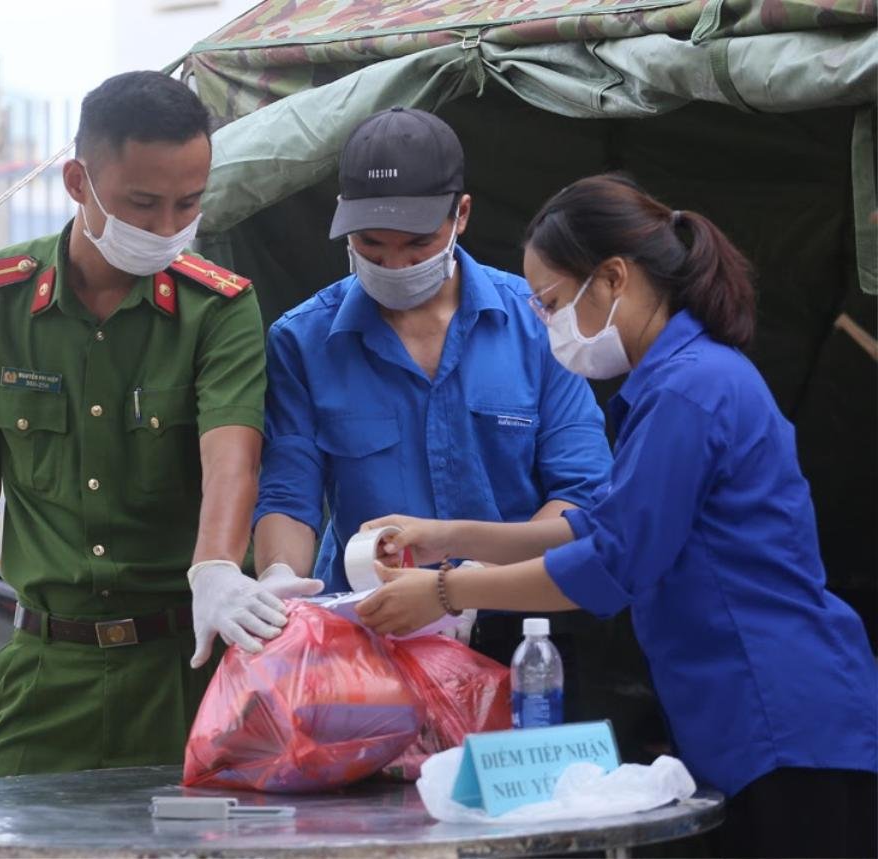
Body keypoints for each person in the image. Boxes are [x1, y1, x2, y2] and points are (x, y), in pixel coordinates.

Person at [356, 174, 878, 859]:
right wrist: (444, 536)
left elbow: (609, 565)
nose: (547, 327)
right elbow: (593, 526)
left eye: (548, 304)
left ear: (611, 278)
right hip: (761, 717)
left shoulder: (690, 392)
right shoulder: (676, 381)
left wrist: (447, 591)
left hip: (780, 717)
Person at [0, 71, 314, 779]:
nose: (168, 227)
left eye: (188, 203)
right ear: (79, 181)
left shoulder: (218, 311)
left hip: (188, 665)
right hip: (48, 667)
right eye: (143, 203)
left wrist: (217, 567)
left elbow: (232, 454)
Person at [251, 107, 612, 647]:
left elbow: (582, 492)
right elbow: (288, 494)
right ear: (343, 220)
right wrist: (281, 578)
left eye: (417, 244)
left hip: (523, 622)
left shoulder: (535, 321)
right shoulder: (303, 340)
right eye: (371, 245)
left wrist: (469, 584)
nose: (394, 265)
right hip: (369, 626)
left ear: (461, 214)